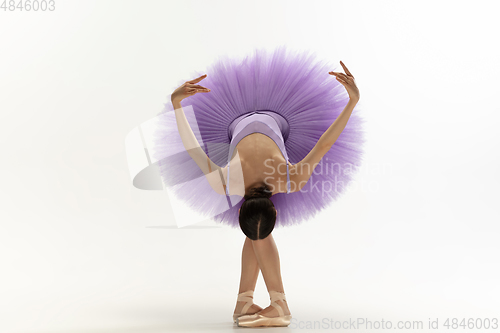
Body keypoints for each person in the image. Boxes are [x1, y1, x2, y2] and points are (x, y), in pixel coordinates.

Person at [168, 56, 360, 327]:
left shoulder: (287, 179)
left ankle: (255, 302)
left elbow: (325, 143)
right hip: (276, 114)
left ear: (275, 208)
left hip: (243, 113)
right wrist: (177, 104)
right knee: (258, 229)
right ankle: (265, 303)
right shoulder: (228, 182)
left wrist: (353, 101)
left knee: (257, 229)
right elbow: (192, 148)